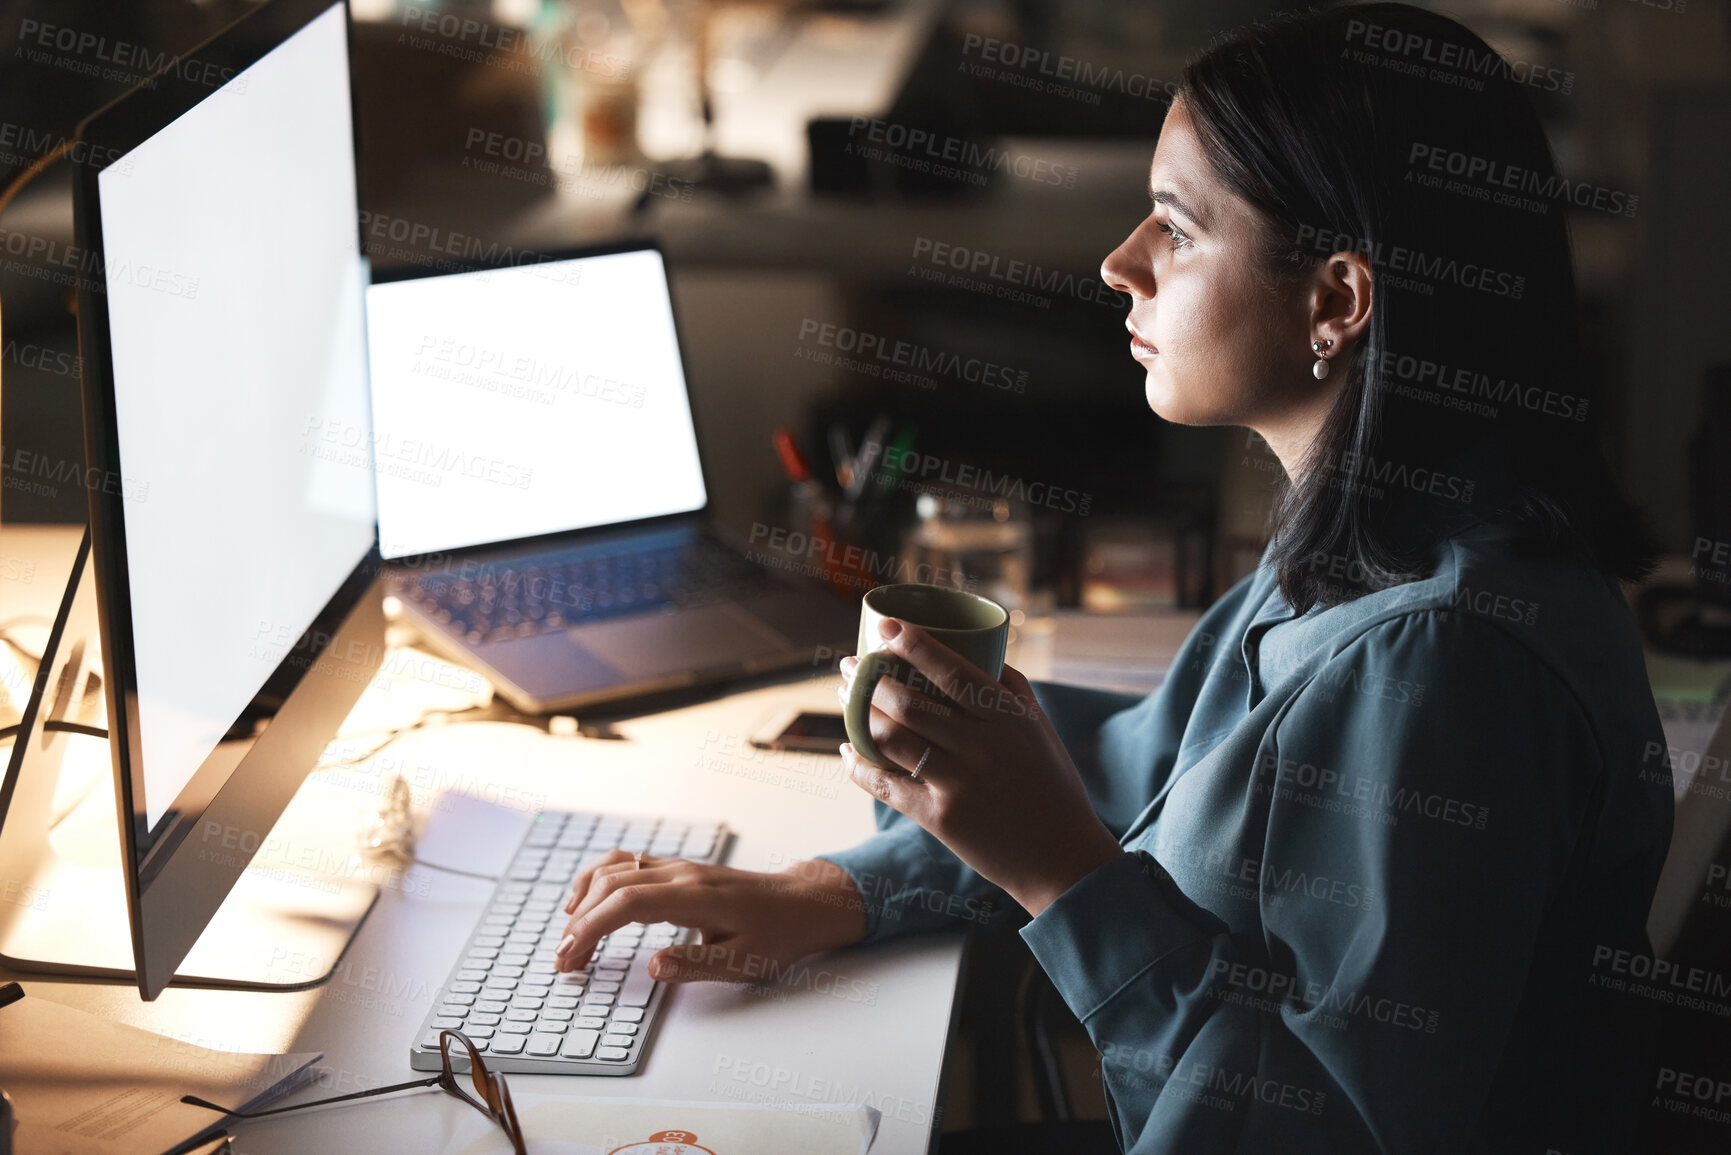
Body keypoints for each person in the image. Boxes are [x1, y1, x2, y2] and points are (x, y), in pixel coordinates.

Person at [553, 5, 1673, 1151]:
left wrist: (1064, 877)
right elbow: (1146, 778)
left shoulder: (1442, 665)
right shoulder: (1375, 536)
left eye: (1179, 230)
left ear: (1336, 300)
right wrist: (841, 892)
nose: (1119, 261)